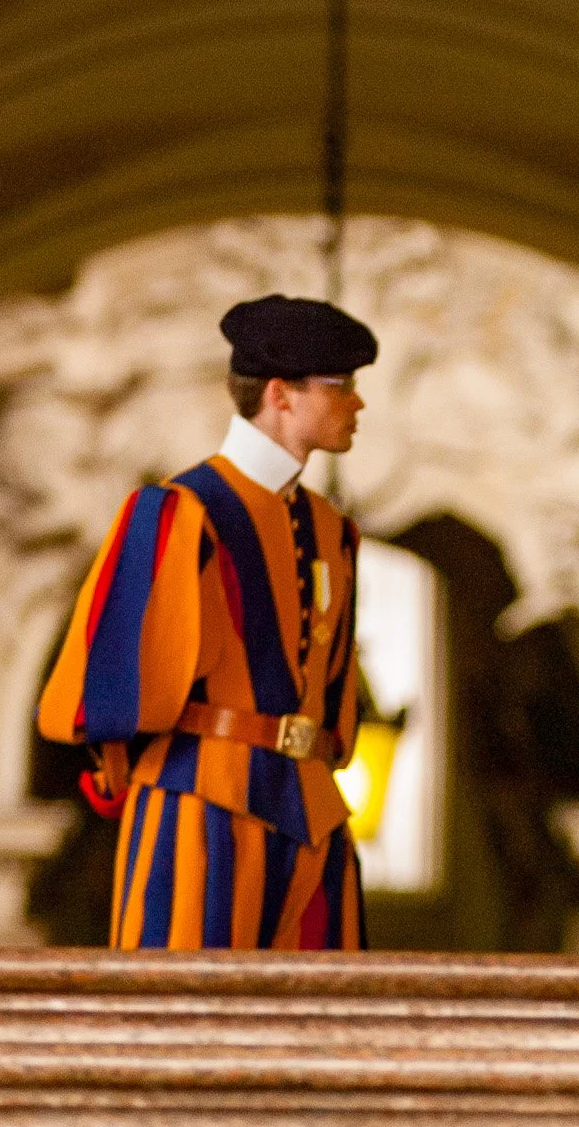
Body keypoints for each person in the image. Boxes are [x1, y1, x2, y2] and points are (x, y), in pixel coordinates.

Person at [37, 292, 373, 951]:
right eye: (342, 386)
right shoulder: (175, 511)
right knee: (182, 1026)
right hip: (199, 801)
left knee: (328, 1027)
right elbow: (111, 681)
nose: (358, 403)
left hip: (315, 813)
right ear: (280, 394)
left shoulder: (333, 529)